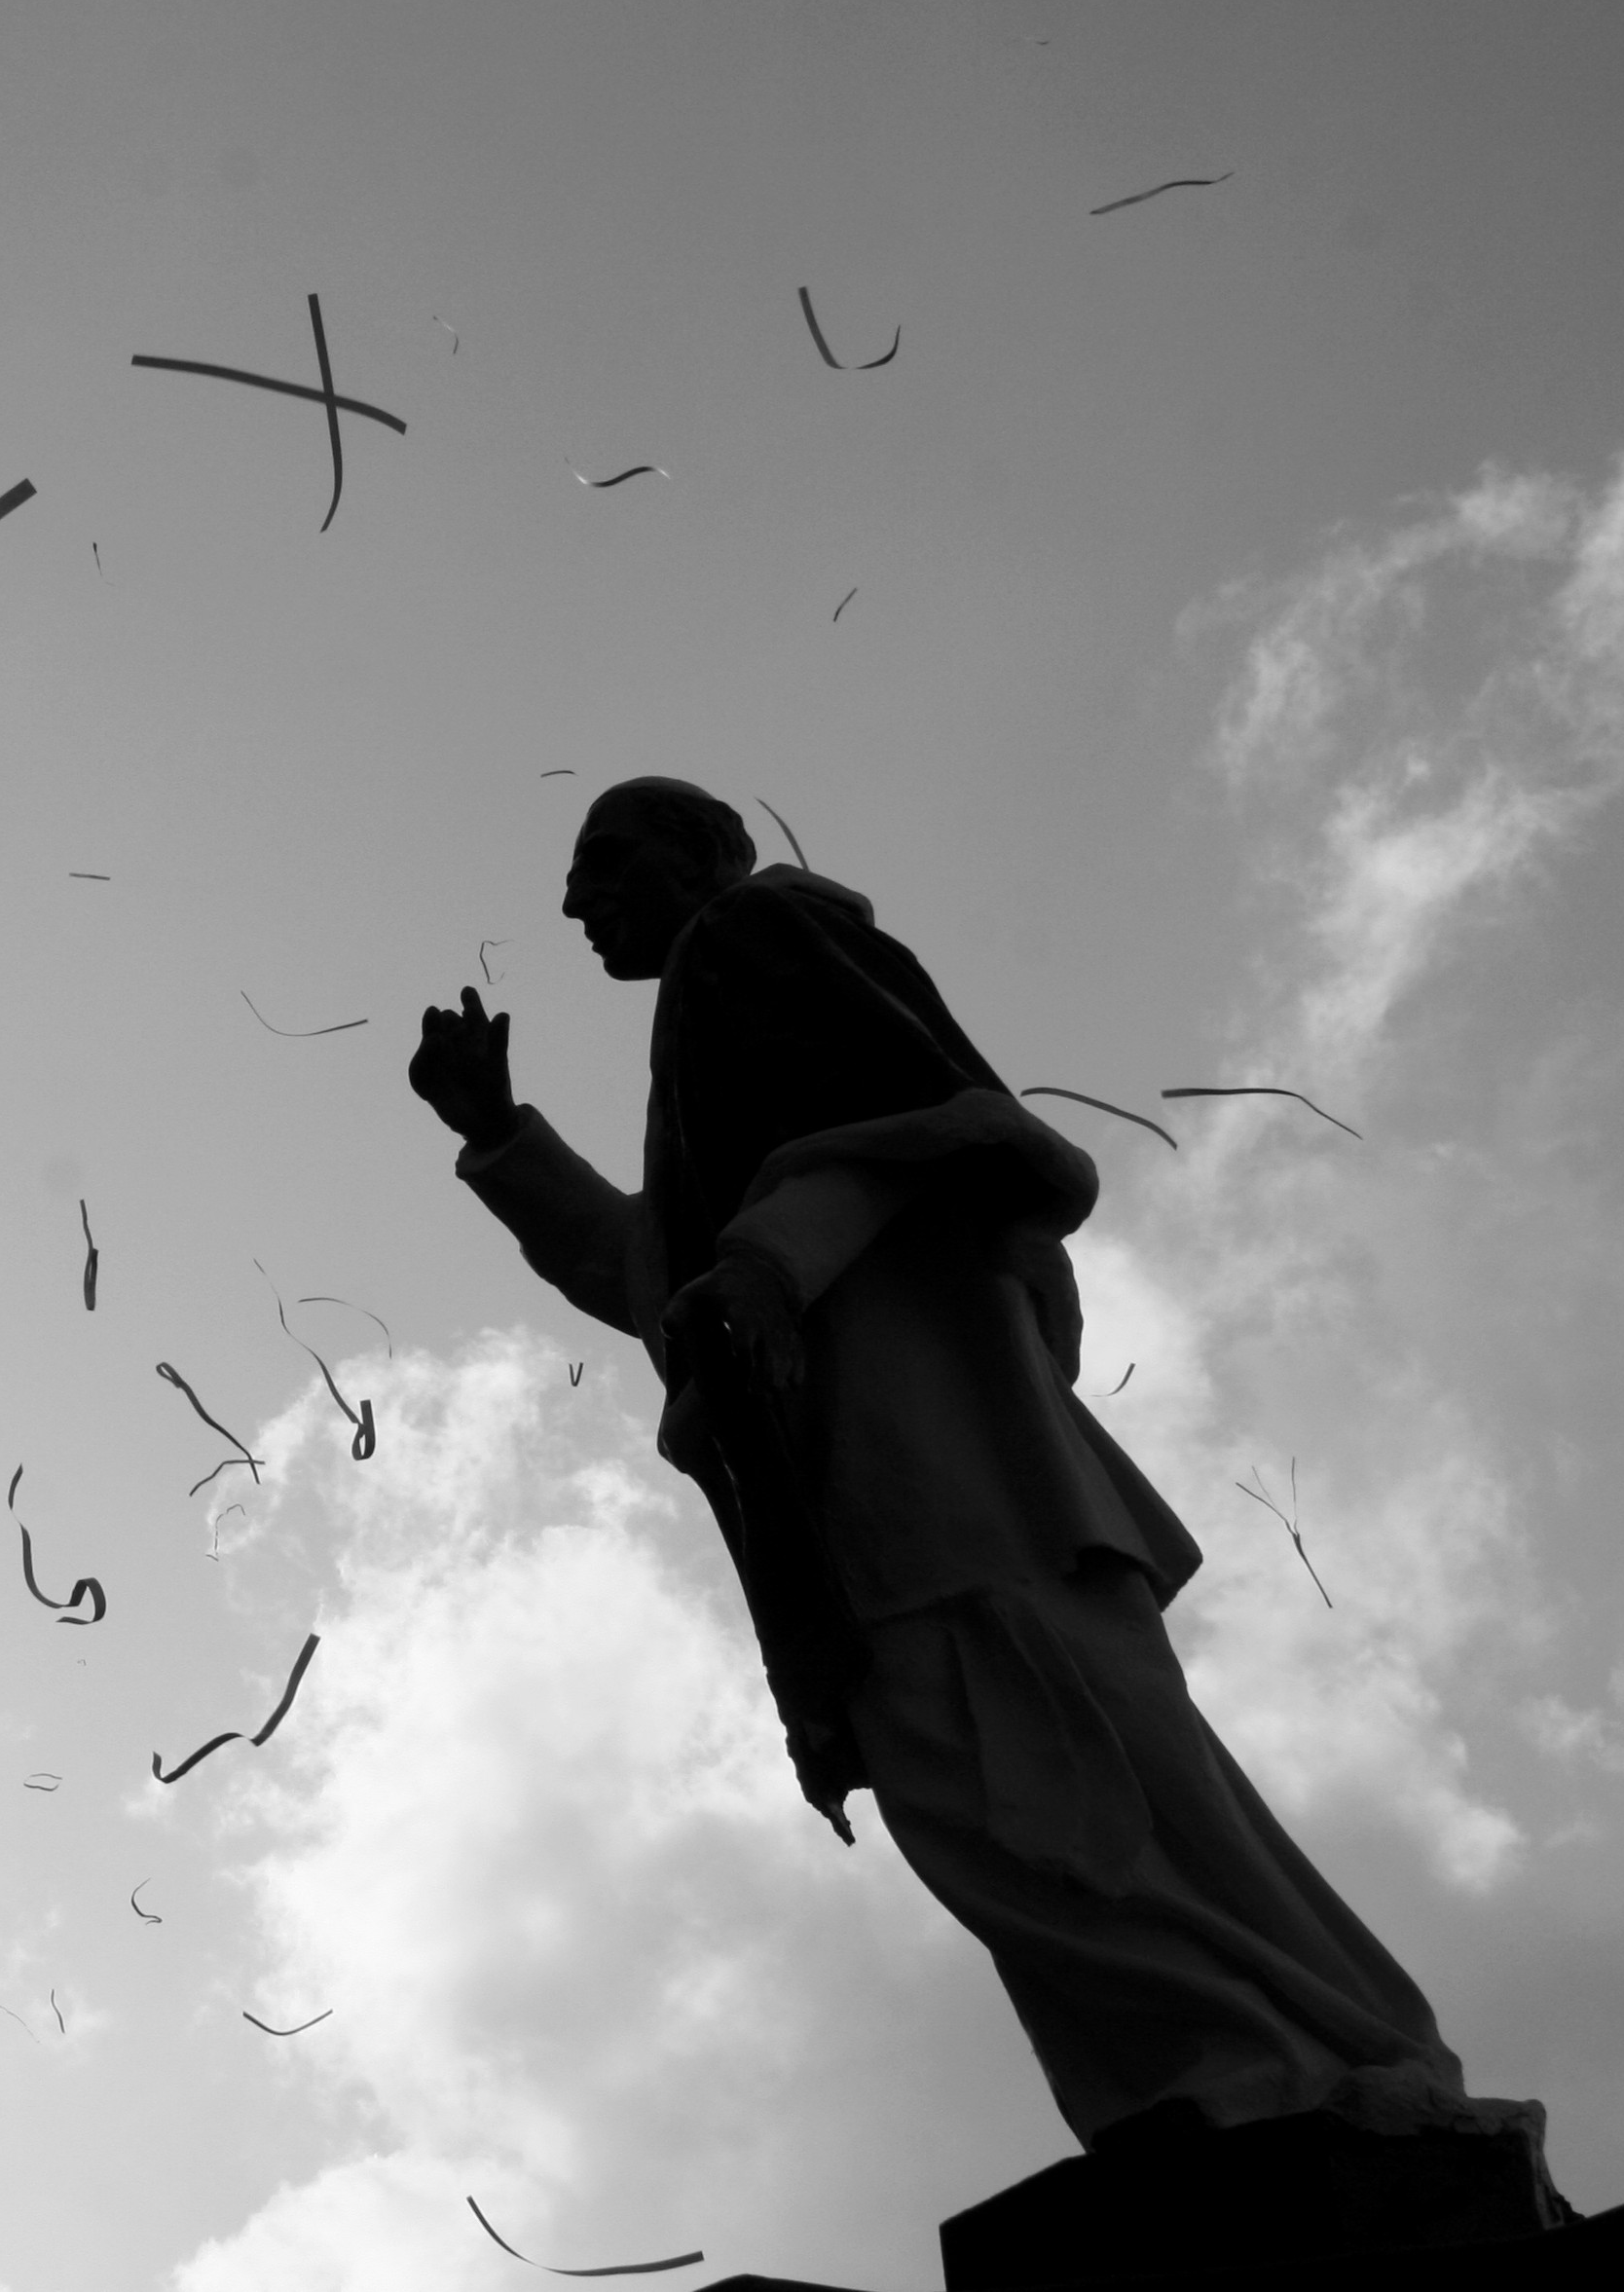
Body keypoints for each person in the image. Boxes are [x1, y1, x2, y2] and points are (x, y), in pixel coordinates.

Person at [406, 778, 1556, 2200]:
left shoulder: (750, 941)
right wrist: (504, 1138)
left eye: (603, 860)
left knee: (1056, 1790)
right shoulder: (713, 1035)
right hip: (899, 1492)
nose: (576, 903)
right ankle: (1245, 2078)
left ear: (708, 851)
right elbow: (669, 1277)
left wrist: (767, 1269)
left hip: (930, 1468)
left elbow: (905, 1136)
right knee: (1040, 1806)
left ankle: (1294, 2075)